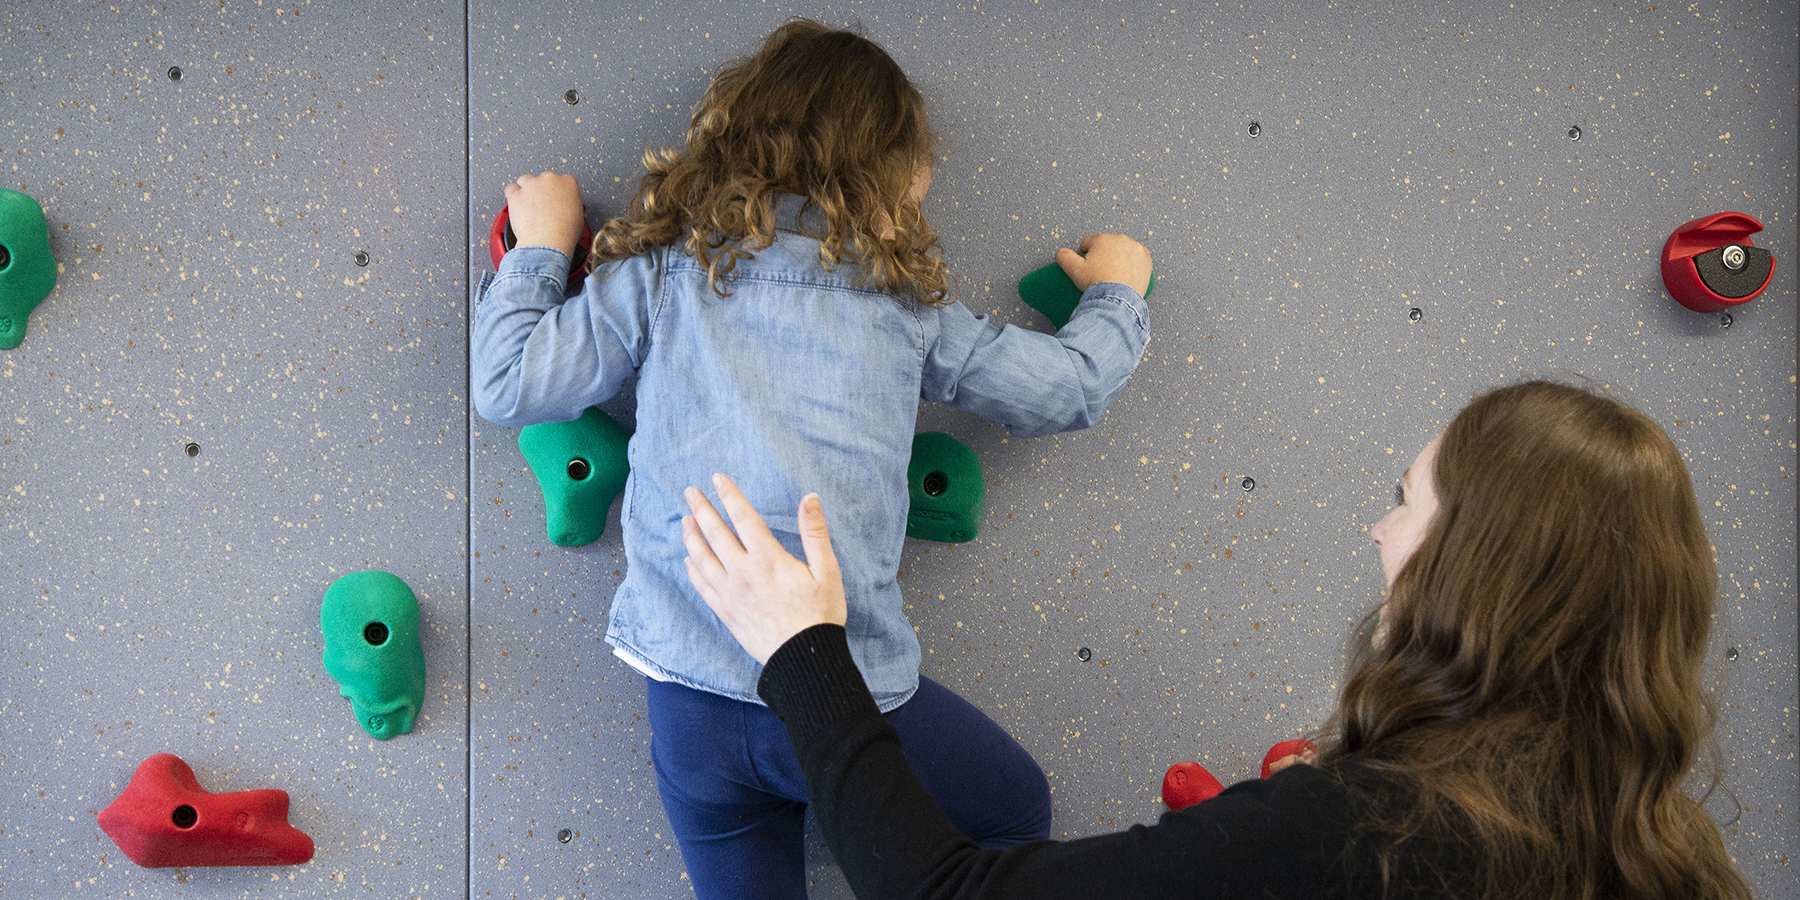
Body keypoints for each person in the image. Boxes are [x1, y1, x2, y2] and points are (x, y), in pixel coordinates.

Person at [468, 19, 1154, 900]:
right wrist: (1117, 294)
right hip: (840, 695)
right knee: (1012, 811)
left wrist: (537, 249)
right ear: (897, 175)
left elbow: (507, 386)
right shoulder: (902, 308)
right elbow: (1067, 389)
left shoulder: (668, 275)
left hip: (689, 703)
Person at [681, 380, 1753, 900]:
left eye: (1406, 501)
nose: (1378, 529)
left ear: (1477, 560)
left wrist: (807, 653)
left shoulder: (1372, 830)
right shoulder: (1665, 856)